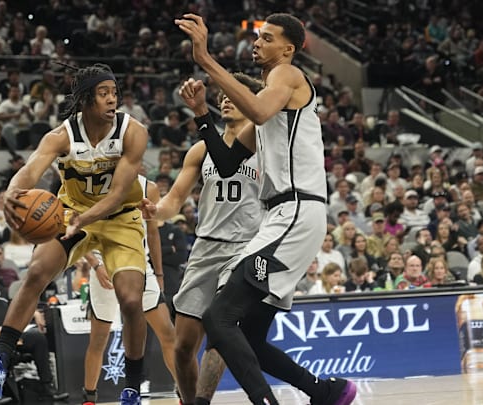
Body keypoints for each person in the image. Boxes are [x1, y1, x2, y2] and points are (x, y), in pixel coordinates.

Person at [175, 12, 356, 405]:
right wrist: (203, 115)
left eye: (267, 38)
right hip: (284, 215)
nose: (257, 43)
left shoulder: (287, 76)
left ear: (288, 49)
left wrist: (205, 59)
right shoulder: (271, 110)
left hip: (295, 211)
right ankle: (326, 392)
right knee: (249, 337)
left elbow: (256, 110)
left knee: (218, 318)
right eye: (257, 37)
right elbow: (226, 164)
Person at [0, 63, 150, 405]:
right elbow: (31, 169)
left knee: (129, 300)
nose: (113, 100)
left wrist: (82, 220)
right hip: (71, 214)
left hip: (120, 218)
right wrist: (11, 193)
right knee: (37, 271)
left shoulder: (133, 132)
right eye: (104, 94)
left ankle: (132, 386)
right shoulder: (61, 136)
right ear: (84, 100)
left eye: (114, 93)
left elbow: (116, 195)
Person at [140, 72, 263, 405]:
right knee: (182, 348)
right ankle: (188, 399)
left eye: (233, 94)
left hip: (246, 247)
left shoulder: (266, 143)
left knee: (221, 327)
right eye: (221, 94)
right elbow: (175, 199)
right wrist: (155, 210)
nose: (224, 98)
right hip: (206, 246)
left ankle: (202, 402)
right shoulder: (201, 150)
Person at [83, 177, 177, 404]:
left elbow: (153, 233)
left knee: (168, 334)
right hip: (103, 266)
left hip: (140, 267)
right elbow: (78, 229)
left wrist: (160, 274)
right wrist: (95, 265)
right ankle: (89, 399)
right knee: (98, 339)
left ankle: (187, 394)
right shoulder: (90, 181)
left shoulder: (149, 188)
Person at [0, 255, 62, 400]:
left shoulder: (0, 290)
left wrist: (34, 312)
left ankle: (47, 387)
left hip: (5, 333)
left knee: (37, 338)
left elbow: (15, 311)